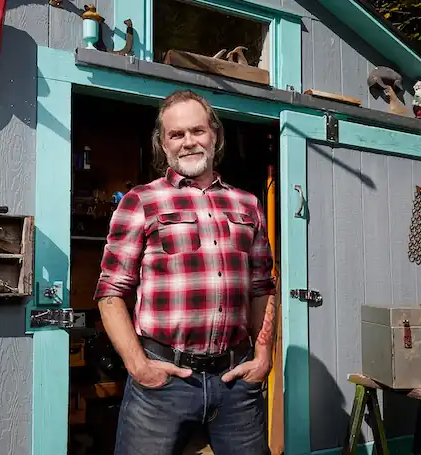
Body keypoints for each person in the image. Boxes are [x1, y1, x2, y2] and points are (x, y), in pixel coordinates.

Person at [93, 89, 278, 455]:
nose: (188, 142)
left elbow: (262, 286)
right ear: (162, 144)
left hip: (235, 380)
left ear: (215, 135)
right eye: (176, 135)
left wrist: (263, 357)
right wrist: (138, 365)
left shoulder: (248, 204)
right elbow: (110, 291)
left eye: (197, 131)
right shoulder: (141, 201)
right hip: (162, 381)